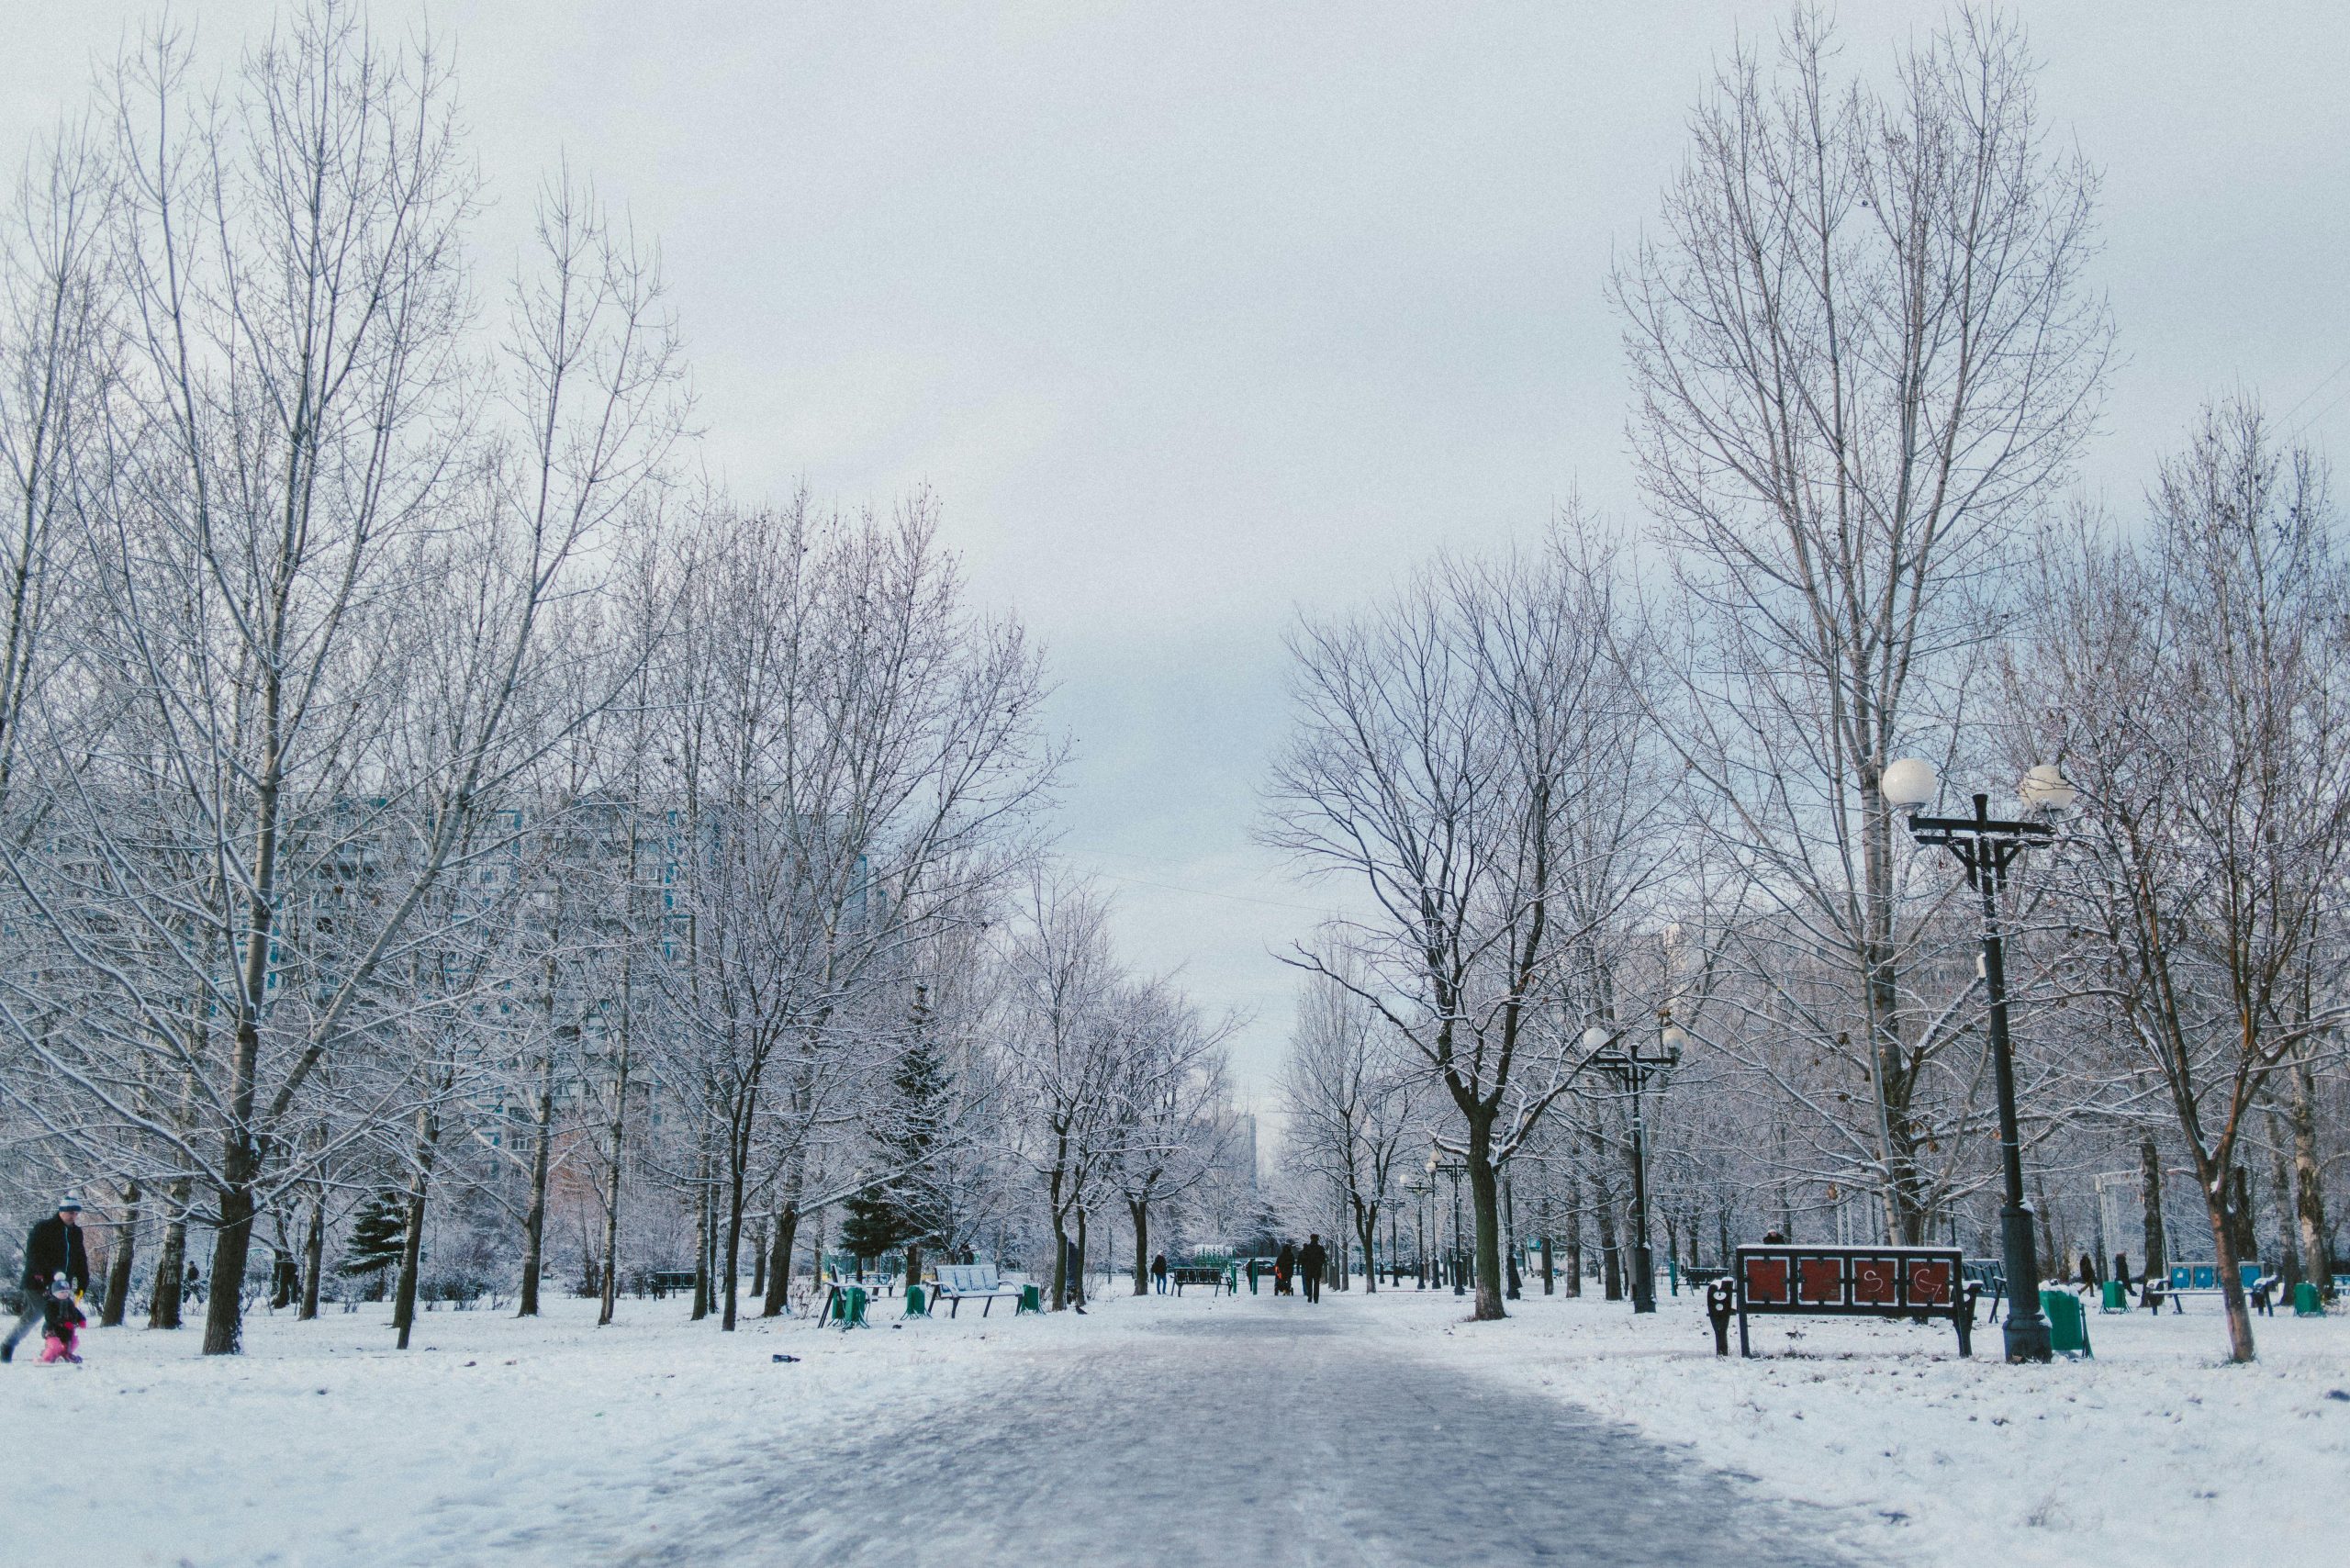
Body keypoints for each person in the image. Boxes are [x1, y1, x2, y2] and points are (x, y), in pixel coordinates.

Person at [4, 1196, 89, 1364]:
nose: (73, 1216)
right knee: (34, 1313)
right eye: (70, 1212)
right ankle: (7, 1346)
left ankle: (60, 1350)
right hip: (38, 1282)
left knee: (64, 1318)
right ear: (61, 1211)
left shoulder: (75, 1232)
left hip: (61, 1285)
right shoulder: (44, 1228)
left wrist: (83, 1279)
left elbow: (79, 1258)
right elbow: (34, 1254)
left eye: (76, 1213)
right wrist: (41, 1275)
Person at [39, 1277, 84, 1365]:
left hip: (67, 1330)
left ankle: (65, 1354)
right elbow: (50, 1317)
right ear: (55, 1293)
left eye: (67, 1292)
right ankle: (47, 1357)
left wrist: (81, 1320)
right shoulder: (51, 1303)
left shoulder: (69, 1303)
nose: (65, 1294)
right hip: (52, 1330)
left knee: (72, 1342)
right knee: (54, 1344)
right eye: (62, 1292)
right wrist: (63, 1323)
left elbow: (75, 1312)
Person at [1299, 1235, 1327, 1304]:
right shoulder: (1320, 1248)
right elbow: (1323, 1258)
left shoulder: (1307, 1248)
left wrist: (1304, 1265)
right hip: (1317, 1268)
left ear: (1310, 1239)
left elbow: (1303, 1258)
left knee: (1309, 1283)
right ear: (1317, 1239)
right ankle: (1316, 1298)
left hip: (1308, 1268)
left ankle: (1309, 1296)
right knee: (1316, 1283)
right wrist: (1320, 1263)